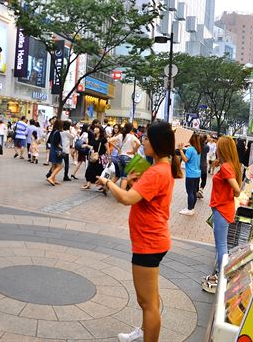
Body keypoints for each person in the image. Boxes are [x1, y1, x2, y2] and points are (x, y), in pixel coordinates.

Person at [96, 121, 182, 342]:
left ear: (156, 142)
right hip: (153, 240)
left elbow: (126, 199)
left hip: (149, 243)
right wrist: (133, 182)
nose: (143, 141)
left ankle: (148, 335)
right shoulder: (162, 168)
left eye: (146, 138)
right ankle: (144, 331)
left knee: (147, 303)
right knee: (149, 299)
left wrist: (107, 182)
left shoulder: (157, 172)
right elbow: (140, 197)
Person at [202, 137, 242, 294]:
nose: (216, 149)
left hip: (222, 209)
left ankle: (221, 277)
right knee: (221, 244)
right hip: (223, 209)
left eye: (218, 147)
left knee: (221, 245)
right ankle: (219, 275)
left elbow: (237, 189)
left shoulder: (226, 167)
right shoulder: (230, 165)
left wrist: (230, 194)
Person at [179, 133, 202, 216]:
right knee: (194, 192)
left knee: (190, 193)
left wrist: (181, 150)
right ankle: (191, 208)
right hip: (197, 174)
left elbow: (185, 159)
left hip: (190, 175)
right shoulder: (198, 149)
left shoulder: (190, 149)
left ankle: (189, 209)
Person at [82, 125, 107, 190]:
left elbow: (107, 148)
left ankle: (104, 186)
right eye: (95, 128)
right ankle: (88, 184)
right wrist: (86, 145)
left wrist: (109, 158)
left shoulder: (103, 139)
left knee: (99, 172)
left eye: (97, 128)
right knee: (89, 171)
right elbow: (93, 147)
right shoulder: (94, 137)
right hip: (93, 157)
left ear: (100, 130)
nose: (95, 129)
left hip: (100, 158)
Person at [46, 119, 63, 186]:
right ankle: (51, 178)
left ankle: (53, 179)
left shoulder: (53, 131)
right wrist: (62, 148)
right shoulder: (58, 132)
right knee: (60, 166)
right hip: (57, 151)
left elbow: (49, 141)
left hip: (52, 150)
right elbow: (57, 143)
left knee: (54, 165)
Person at [198, 134, 209, 199]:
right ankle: (201, 190)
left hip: (197, 165)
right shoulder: (206, 147)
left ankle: (196, 190)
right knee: (204, 179)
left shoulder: (196, 146)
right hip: (203, 165)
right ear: (205, 140)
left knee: (197, 179)